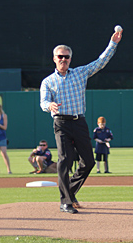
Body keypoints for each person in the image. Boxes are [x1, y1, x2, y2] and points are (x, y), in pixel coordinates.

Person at [40, 29, 122, 214]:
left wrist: (113, 44)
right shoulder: (48, 81)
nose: (63, 59)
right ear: (54, 58)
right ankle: (65, 202)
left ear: (70, 59)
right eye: (60, 56)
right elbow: (43, 102)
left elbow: (100, 62)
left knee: (89, 162)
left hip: (79, 122)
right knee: (64, 160)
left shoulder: (79, 73)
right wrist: (49, 105)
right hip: (61, 122)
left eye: (66, 57)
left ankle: (69, 190)